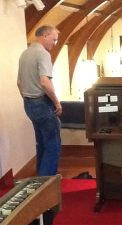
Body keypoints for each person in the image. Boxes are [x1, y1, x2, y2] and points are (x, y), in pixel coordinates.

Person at [17, 25, 62, 176]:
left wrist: (29, 99)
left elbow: (19, 82)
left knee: (41, 143)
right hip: (42, 104)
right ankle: (47, 184)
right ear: (45, 35)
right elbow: (44, 82)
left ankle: (40, 181)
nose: (55, 43)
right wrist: (56, 102)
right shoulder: (43, 54)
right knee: (53, 144)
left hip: (29, 104)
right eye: (54, 39)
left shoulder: (25, 53)